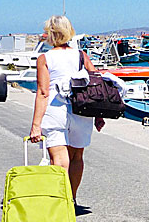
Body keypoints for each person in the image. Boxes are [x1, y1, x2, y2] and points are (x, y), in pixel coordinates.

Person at [29, 15, 104, 204]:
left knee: (59, 158)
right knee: (77, 156)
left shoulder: (45, 58)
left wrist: (36, 125)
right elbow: (96, 85)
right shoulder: (81, 56)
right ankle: (72, 198)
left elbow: (43, 93)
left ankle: (59, 202)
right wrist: (99, 115)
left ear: (51, 34)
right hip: (81, 110)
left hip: (55, 110)